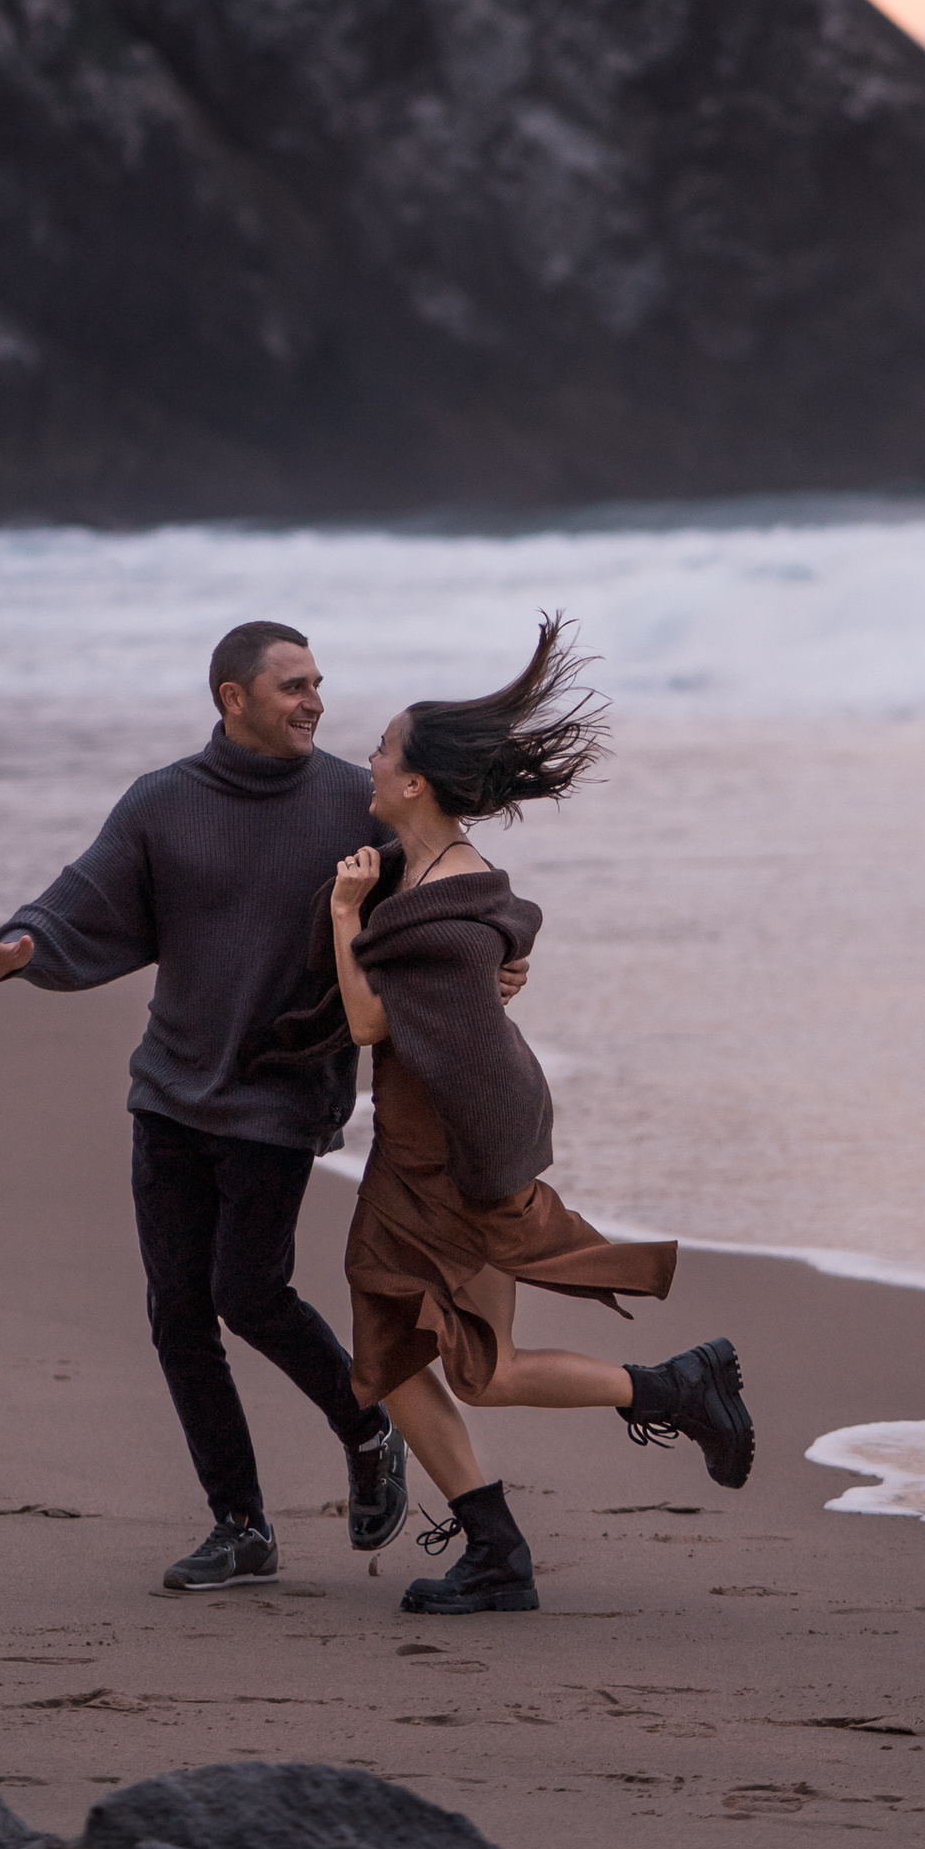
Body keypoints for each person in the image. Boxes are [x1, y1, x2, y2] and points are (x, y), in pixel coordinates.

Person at [0, 623, 490, 1593]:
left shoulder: (353, 803)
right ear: (233, 698)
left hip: (280, 1093)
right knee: (176, 1312)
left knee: (248, 1293)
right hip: (170, 1091)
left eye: (318, 683)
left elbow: (446, 882)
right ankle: (240, 1526)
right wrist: (26, 946)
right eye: (293, 686)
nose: (315, 702)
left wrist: (498, 954)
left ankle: (366, 1429)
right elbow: (85, 895)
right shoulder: (163, 802)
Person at [252, 616, 753, 1620]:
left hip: (442, 1168)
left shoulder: (436, 903)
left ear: (414, 785)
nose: (367, 759)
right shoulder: (426, 879)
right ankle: (522, 1526)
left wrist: (346, 917)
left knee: (442, 1363)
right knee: (436, 1363)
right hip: (426, 1157)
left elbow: (371, 1019)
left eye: (381, 750)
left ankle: (648, 1410)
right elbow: (465, 986)